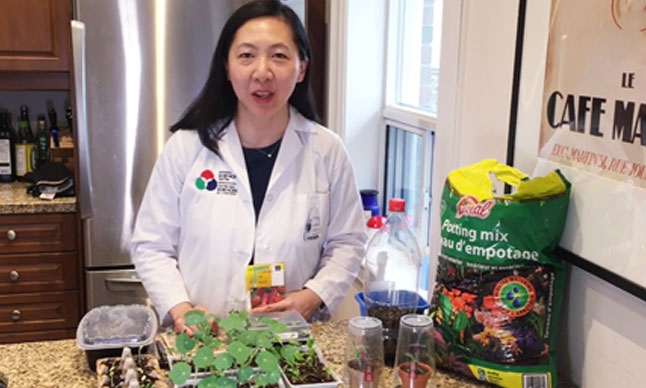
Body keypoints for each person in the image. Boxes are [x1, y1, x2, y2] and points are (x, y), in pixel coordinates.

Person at [130, 0, 366, 335]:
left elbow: (348, 242)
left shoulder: (326, 150)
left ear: (301, 69)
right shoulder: (186, 147)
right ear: (227, 68)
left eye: (279, 55)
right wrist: (182, 310)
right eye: (246, 55)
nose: (262, 72)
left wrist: (314, 296)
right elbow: (151, 245)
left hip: (290, 338)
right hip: (203, 339)